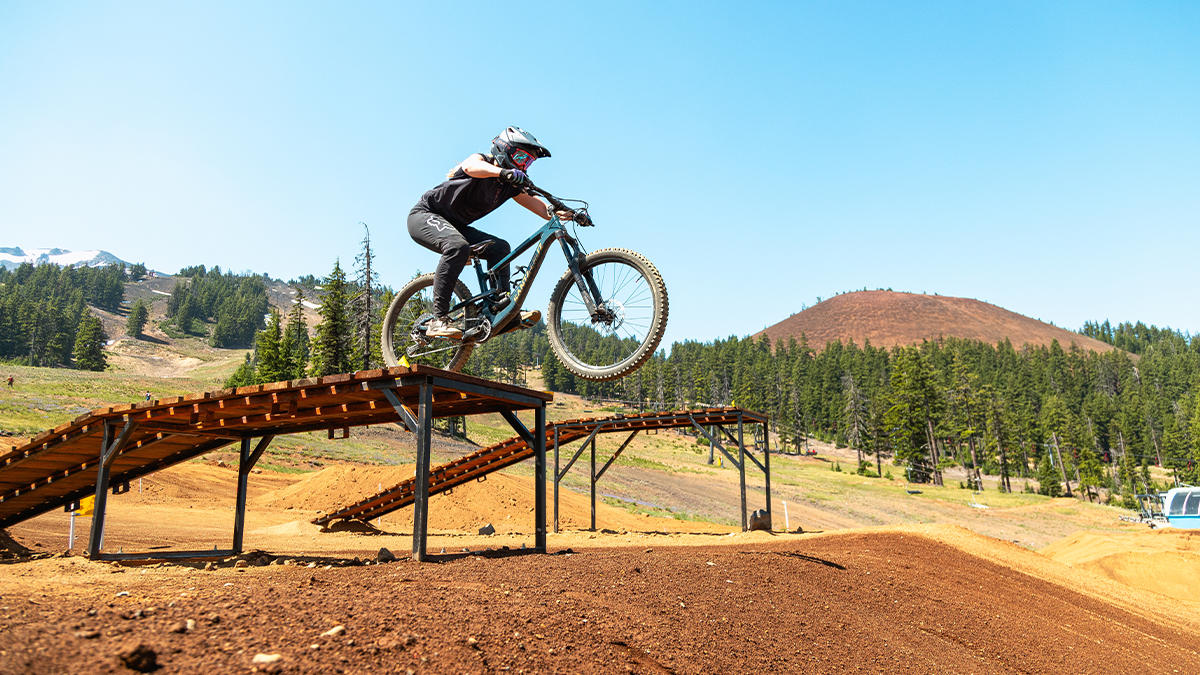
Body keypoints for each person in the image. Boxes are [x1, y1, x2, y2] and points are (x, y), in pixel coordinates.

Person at [407, 126, 572, 339]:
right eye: (521, 157)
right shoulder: (482, 161)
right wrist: (503, 172)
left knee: (501, 248)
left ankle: (500, 309)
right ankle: (438, 319)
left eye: (528, 162)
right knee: (457, 246)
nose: (523, 165)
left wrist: (564, 212)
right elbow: (470, 166)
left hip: (456, 228)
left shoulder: (509, 185)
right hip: (425, 216)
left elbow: (540, 207)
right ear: (504, 150)